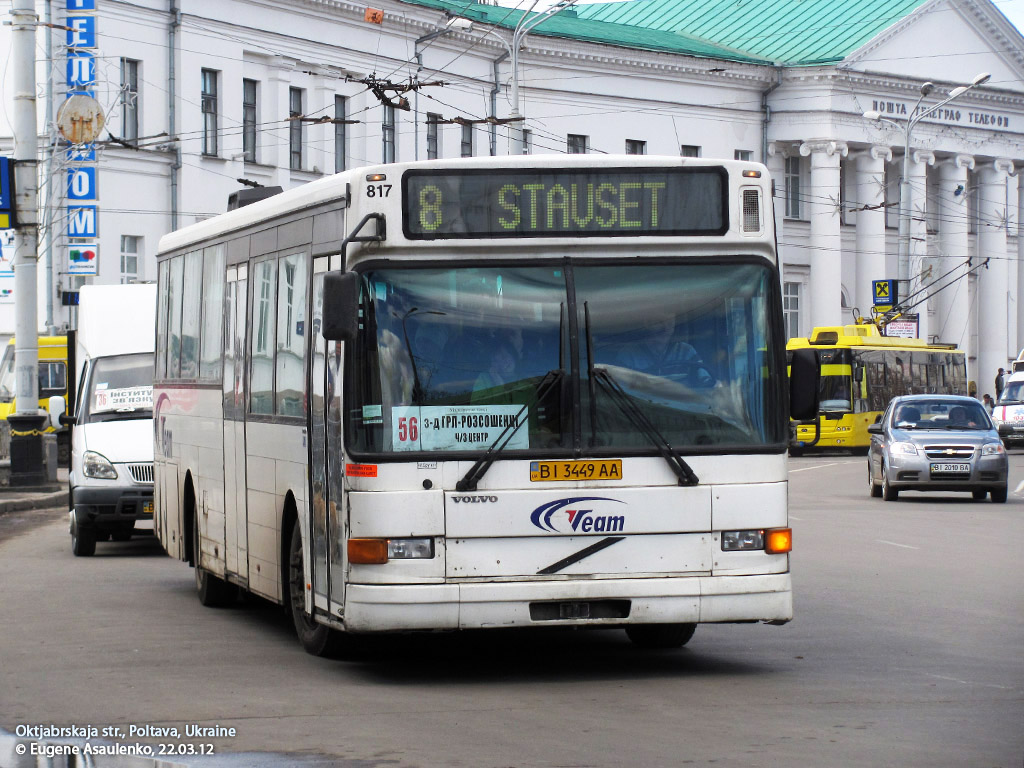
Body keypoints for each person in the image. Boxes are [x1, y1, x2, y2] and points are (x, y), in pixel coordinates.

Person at [614, 312, 714, 386]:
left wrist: (713, 385)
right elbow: (620, 391)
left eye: (670, 323)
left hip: (683, 410)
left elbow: (706, 380)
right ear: (647, 323)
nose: (666, 329)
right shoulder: (628, 355)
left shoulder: (687, 351)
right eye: (659, 322)